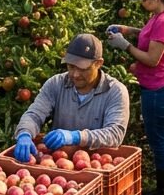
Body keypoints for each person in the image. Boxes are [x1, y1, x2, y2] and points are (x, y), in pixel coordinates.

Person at [106, 0, 164, 195]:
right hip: (163, 84)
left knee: (158, 139)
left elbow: (152, 58)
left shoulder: (163, 21)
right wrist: (128, 30)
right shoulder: (162, 16)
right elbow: (152, 35)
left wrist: (125, 46)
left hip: (157, 88)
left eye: (144, 0)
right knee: (163, 135)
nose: (141, 3)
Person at [12, 34, 130, 163]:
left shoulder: (115, 91)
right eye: (71, 66)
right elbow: (35, 114)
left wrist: (76, 136)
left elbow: (114, 134)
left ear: (98, 63)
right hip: (59, 162)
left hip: (97, 164)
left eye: (83, 68)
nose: (75, 74)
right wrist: (25, 132)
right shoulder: (56, 84)